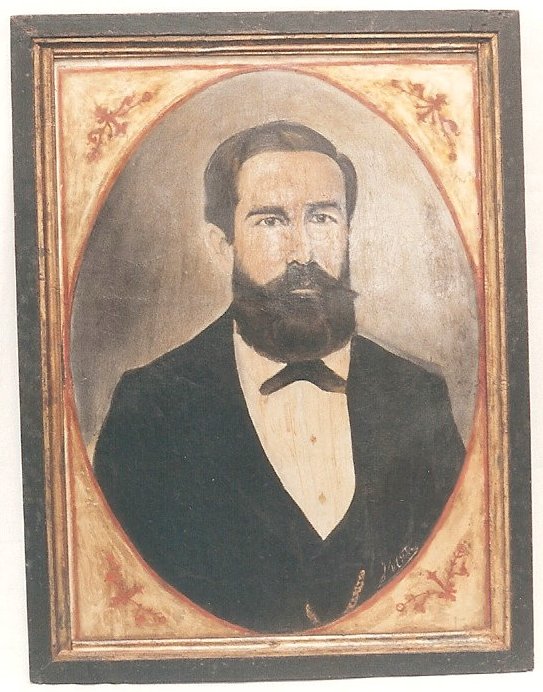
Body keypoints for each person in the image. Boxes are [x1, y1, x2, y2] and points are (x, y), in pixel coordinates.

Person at [94, 121, 465, 633]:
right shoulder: (149, 408)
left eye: (322, 217)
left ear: (349, 231)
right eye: (270, 221)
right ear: (221, 245)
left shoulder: (417, 395)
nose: (303, 253)